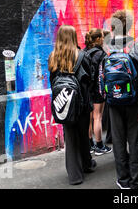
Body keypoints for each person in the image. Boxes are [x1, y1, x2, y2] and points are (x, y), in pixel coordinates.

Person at [104, 9, 138, 189]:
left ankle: (122, 179)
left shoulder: (107, 47)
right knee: (134, 138)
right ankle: (137, 180)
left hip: (113, 100)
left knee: (118, 139)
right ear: (130, 25)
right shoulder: (136, 46)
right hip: (134, 100)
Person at [48, 25, 96, 185]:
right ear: (74, 37)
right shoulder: (82, 55)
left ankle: (75, 176)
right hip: (82, 102)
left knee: (70, 138)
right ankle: (87, 164)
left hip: (64, 103)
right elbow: (91, 78)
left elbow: (52, 81)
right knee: (83, 135)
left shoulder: (53, 56)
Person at [85, 28, 112, 156]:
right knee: (98, 117)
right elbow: (102, 74)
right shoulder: (101, 54)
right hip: (98, 90)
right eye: (102, 37)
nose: (104, 39)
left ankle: (90, 144)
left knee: (89, 119)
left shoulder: (85, 52)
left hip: (87, 89)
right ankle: (100, 145)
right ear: (97, 39)